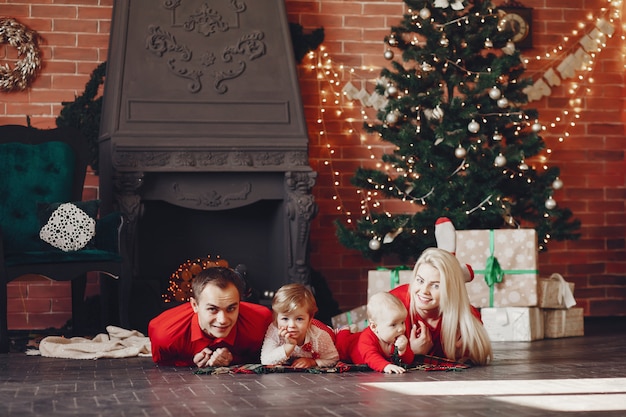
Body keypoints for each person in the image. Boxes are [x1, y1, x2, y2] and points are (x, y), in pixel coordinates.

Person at [148, 267, 272, 367]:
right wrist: (191, 360)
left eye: (231, 308)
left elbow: (265, 356)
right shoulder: (165, 334)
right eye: (212, 309)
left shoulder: (260, 322)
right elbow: (162, 362)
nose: (222, 320)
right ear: (195, 305)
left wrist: (233, 358)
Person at [390, 247, 492, 365]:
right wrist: (412, 353)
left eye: (436, 286)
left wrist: (462, 354)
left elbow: (479, 358)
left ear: (451, 289)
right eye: (420, 281)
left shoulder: (465, 318)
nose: (424, 291)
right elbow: (368, 350)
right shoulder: (394, 303)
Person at [261, 283, 339, 368]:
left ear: (309, 319)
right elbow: (265, 360)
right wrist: (289, 346)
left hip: (324, 330)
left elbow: (333, 359)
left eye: (299, 319)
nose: (291, 325)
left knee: (338, 337)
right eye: (285, 319)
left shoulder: (319, 336)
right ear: (276, 318)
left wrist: (312, 362)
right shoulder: (274, 330)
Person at [335, 292, 415, 374]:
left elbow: (409, 360)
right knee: (339, 348)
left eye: (402, 322)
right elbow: (370, 357)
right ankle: (343, 331)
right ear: (374, 327)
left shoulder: (395, 336)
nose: (401, 328)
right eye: (393, 325)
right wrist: (385, 366)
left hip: (361, 338)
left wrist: (403, 350)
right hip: (351, 344)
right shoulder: (366, 339)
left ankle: (351, 330)